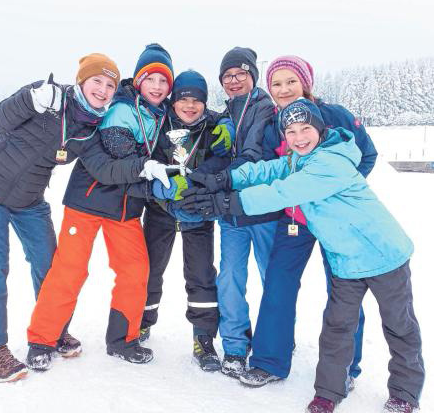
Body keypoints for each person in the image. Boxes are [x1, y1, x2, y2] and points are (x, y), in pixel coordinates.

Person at [178, 98, 424, 413]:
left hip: (383, 256)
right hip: (345, 262)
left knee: (399, 325)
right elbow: (266, 170)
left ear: (320, 130)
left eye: (305, 128)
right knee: (337, 328)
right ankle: (328, 392)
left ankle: (404, 393)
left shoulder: (330, 162)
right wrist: (223, 179)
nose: (298, 137)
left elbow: (282, 192)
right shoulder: (299, 159)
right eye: (290, 131)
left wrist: (224, 204)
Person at [0, 52, 169, 383]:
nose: (102, 90)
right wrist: (29, 100)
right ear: (82, 81)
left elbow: (102, 167)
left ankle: (53, 331)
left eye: (109, 85)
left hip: (29, 199)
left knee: (51, 265)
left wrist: (141, 168)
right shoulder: (48, 97)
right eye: (96, 82)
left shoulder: (91, 128)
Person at [26, 44, 174, 370]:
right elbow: (116, 154)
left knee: (136, 272)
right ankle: (42, 339)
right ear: (138, 80)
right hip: (89, 202)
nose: (158, 87)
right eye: (151, 78)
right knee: (70, 270)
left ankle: (123, 340)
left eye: (164, 82)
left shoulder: (161, 115)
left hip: (127, 209)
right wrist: (147, 166)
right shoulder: (118, 107)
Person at [233, 55, 378, 387]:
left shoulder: (335, 115)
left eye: (290, 82)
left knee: (343, 290)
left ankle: (345, 367)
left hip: (335, 219)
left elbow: (366, 154)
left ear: (306, 82)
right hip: (294, 219)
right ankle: (269, 361)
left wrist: (334, 189)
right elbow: (272, 171)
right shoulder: (273, 124)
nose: (283, 90)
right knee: (278, 284)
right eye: (276, 84)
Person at [193, 47, 280, 378]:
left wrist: (216, 179)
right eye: (227, 76)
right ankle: (234, 345)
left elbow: (255, 155)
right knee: (229, 277)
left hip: (263, 208)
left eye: (240, 74)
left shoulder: (266, 109)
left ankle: (274, 339)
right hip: (230, 213)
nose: (233, 81)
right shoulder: (224, 113)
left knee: (273, 279)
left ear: (253, 76)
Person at [140, 70, 234, 371]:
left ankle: (204, 338)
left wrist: (197, 179)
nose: (190, 106)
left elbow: (223, 158)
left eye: (197, 100)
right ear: (174, 100)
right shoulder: (159, 122)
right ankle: (142, 322)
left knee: (201, 276)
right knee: (150, 271)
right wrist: (158, 183)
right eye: (184, 99)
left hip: (198, 213)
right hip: (160, 210)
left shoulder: (215, 125)